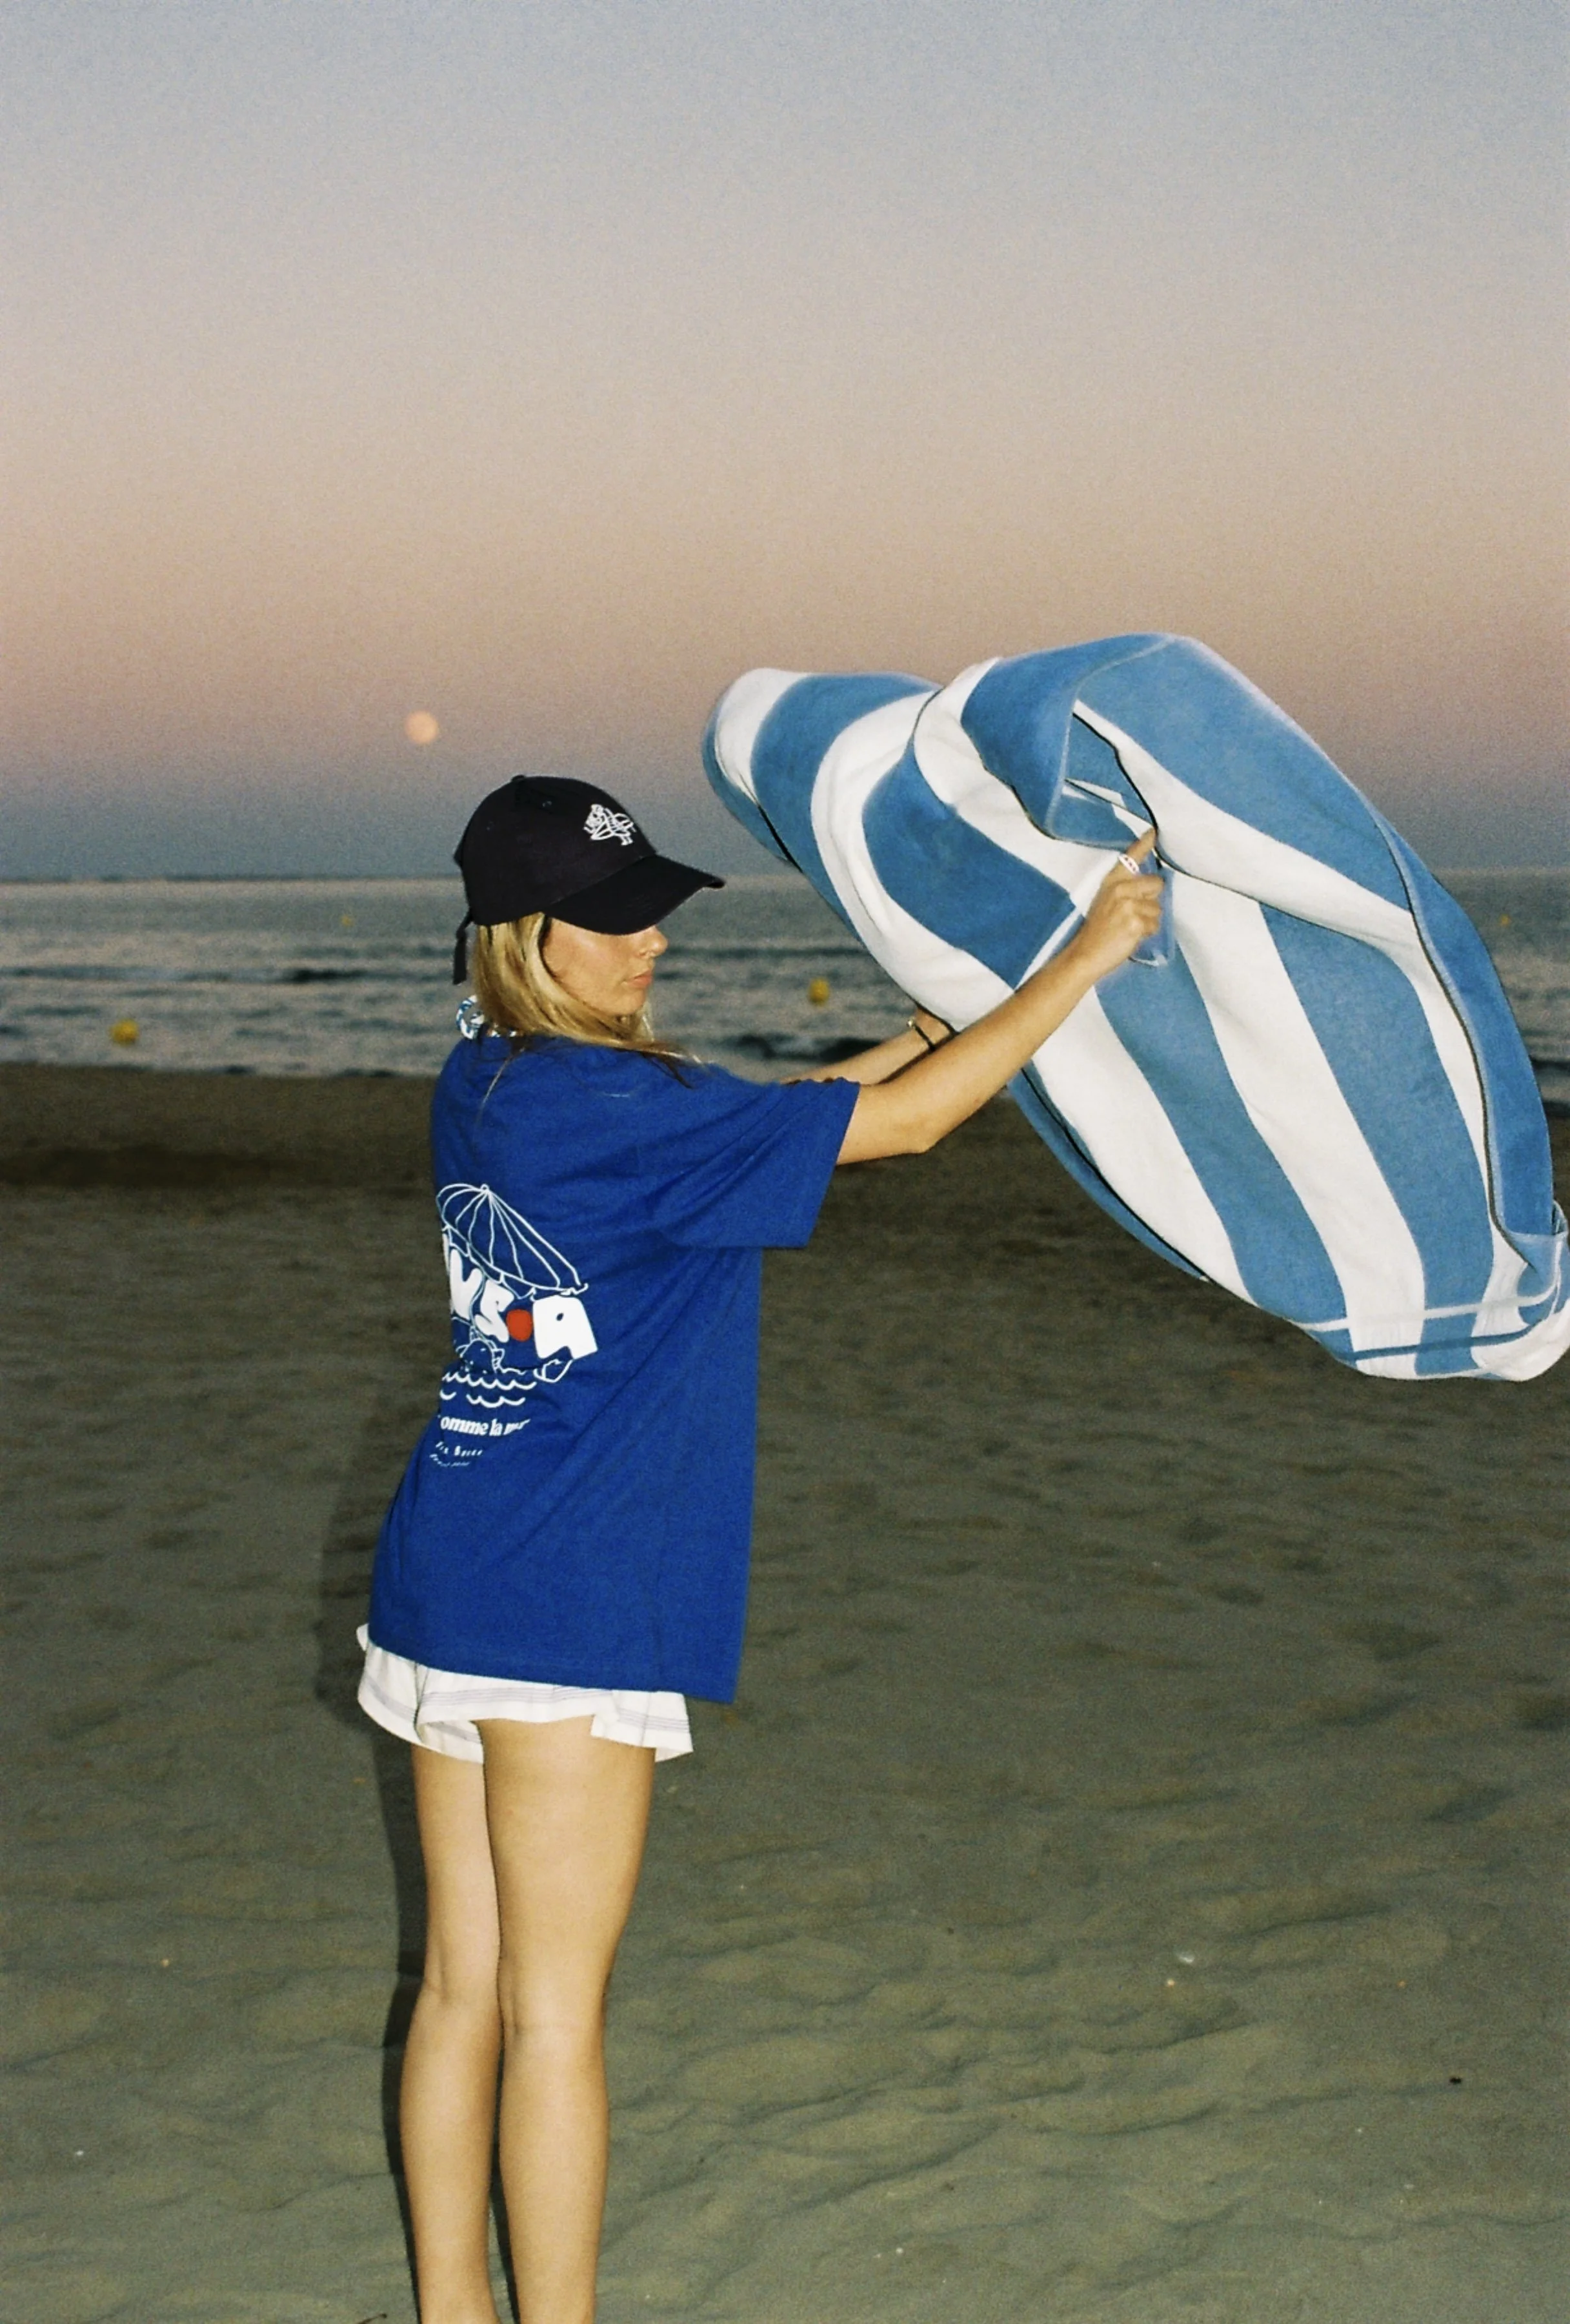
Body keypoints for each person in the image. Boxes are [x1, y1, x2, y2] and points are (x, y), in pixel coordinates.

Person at [357, 774, 1163, 2324]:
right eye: (607, 920)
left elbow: (824, 1118)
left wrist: (958, 1009)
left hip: (447, 1571)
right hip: (567, 1602)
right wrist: (1087, 962)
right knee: (556, 2018)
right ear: (523, 936)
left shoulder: (494, 1081)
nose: (647, 937)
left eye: (649, 902)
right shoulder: (620, 1113)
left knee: (463, 1988)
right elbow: (908, 1133)